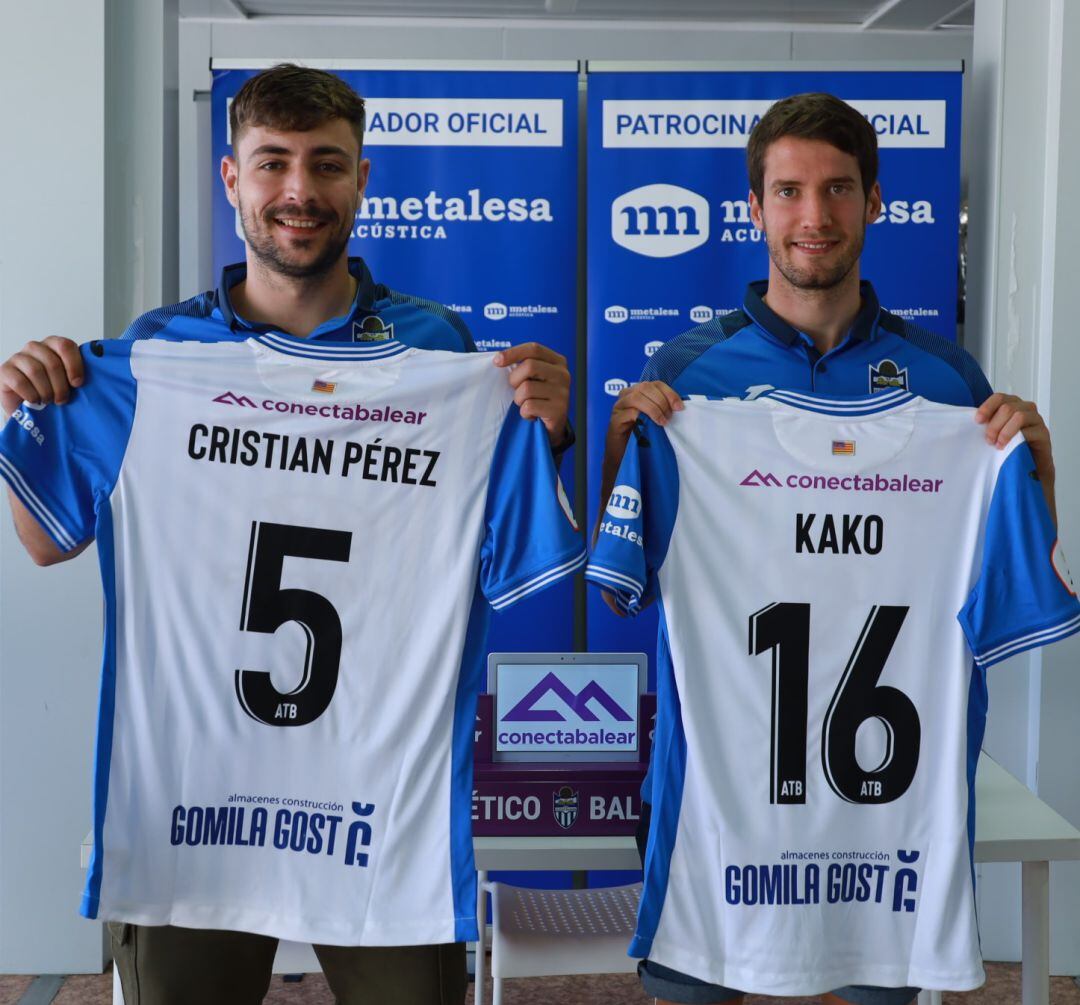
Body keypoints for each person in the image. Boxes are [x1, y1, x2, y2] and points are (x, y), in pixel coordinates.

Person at [0, 64, 572, 1005]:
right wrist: (31, 400)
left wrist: (545, 429)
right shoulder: (156, 355)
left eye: (327, 165)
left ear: (362, 178)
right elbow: (43, 540)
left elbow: (522, 552)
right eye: (272, 164)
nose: (299, 191)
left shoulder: (444, 354)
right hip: (196, 802)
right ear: (232, 179)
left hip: (382, 801)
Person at [597, 92, 1057, 1005]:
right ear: (757, 206)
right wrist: (622, 450)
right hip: (718, 807)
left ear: (875, 201)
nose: (816, 216)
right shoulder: (683, 381)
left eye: (839, 189)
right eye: (791, 191)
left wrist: (1036, 469)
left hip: (889, 824)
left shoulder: (950, 385)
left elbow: (1011, 575)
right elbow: (626, 587)